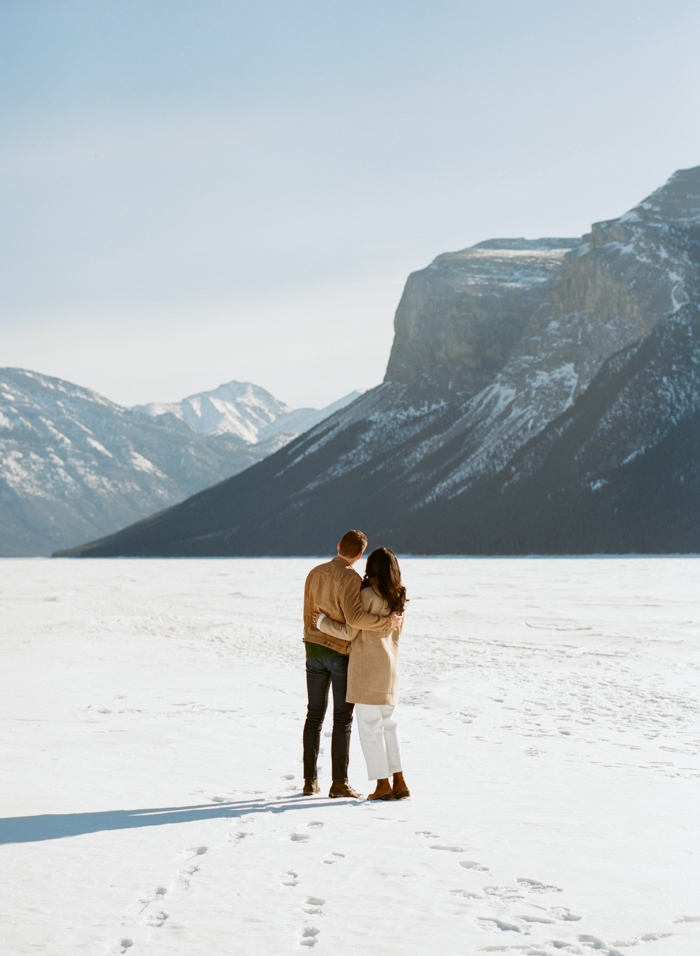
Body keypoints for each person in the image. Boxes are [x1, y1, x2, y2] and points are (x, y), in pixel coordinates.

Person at [302, 530, 402, 799]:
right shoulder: (351, 578)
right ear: (359, 555)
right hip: (340, 653)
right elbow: (354, 621)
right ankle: (339, 783)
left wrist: (314, 632)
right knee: (342, 719)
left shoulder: (313, 573)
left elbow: (308, 613)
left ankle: (310, 781)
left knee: (314, 715)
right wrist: (386, 623)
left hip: (313, 650)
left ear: (338, 545)